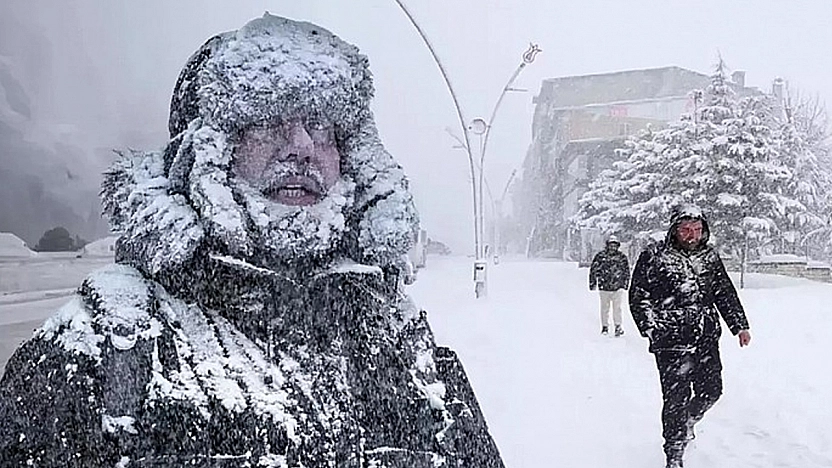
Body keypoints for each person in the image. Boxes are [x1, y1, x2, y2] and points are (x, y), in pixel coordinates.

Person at [0, 15, 505, 468]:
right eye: (266, 120)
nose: (303, 147)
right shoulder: (104, 348)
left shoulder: (396, 337)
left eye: (323, 127)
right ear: (205, 152)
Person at [629, 204, 752, 468]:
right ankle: (674, 454)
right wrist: (651, 326)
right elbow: (638, 295)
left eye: (697, 230)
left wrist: (739, 325)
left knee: (712, 391)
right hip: (671, 341)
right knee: (676, 399)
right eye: (685, 230)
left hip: (706, 337)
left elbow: (724, 293)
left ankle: (688, 421)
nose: (692, 235)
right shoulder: (655, 256)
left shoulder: (709, 257)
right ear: (674, 230)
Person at [589, 235, 630, 337]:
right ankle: (605, 327)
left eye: (614, 245)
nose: (612, 247)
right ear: (607, 245)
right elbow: (593, 270)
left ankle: (618, 326)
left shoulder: (622, 258)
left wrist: (625, 284)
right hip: (604, 287)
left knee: (617, 308)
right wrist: (592, 283)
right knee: (604, 308)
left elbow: (626, 272)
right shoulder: (600, 256)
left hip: (617, 287)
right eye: (611, 245)